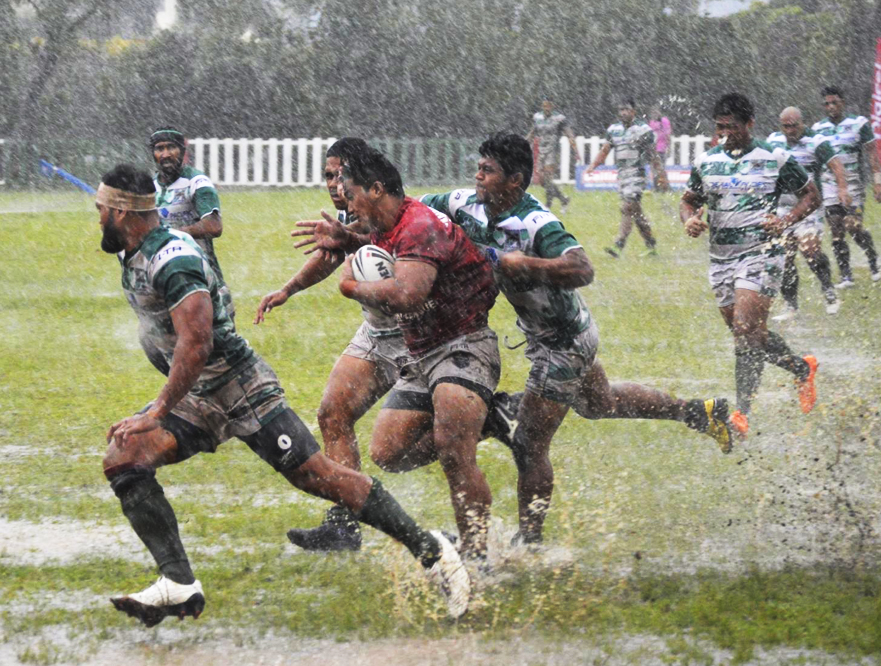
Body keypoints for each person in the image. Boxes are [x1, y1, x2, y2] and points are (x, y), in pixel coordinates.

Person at [96, 164, 471, 625]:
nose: (97, 218)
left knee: (317, 477)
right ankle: (178, 582)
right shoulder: (135, 247)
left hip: (238, 386)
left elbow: (197, 343)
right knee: (123, 454)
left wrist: (157, 410)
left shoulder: (171, 259)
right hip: (198, 391)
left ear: (120, 212)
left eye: (101, 210)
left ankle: (433, 550)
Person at [421, 132, 736, 545]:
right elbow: (415, 211)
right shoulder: (465, 204)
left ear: (514, 180)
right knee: (601, 402)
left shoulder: (536, 222)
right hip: (556, 334)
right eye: (478, 167)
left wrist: (526, 264)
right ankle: (698, 412)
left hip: (565, 342)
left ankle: (529, 542)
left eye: (488, 170)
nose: (478, 176)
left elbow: (582, 269)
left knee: (530, 441)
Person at [297, 143, 502, 564]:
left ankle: (478, 557)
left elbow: (408, 295)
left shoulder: (418, 225)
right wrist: (346, 237)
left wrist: (352, 286)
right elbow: (367, 240)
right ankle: (487, 420)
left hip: (462, 345)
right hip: (420, 351)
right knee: (388, 454)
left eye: (349, 193)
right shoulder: (384, 221)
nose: (344, 202)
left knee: (452, 450)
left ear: (375, 189)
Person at [254, 138, 412, 552]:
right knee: (332, 412)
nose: (332, 183)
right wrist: (287, 290)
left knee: (415, 444)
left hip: (417, 338)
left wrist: (349, 243)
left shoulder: (389, 208)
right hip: (376, 334)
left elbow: (363, 245)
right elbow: (331, 254)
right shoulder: (350, 211)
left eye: (338, 175)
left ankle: (489, 414)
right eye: (327, 176)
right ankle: (344, 523)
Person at [680, 94, 821, 437]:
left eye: (732, 127)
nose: (725, 133)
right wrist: (690, 221)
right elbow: (688, 200)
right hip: (721, 259)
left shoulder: (773, 157)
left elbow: (811, 195)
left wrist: (786, 220)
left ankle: (742, 413)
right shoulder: (707, 161)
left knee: (745, 330)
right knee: (749, 335)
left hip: (761, 253)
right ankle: (802, 368)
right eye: (720, 127)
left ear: (750, 124)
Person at [765, 107, 846, 317]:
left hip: (809, 206)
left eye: (794, 125)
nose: (790, 130)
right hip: (782, 207)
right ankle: (791, 306)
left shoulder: (816, 141)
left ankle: (829, 290)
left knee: (810, 251)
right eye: (786, 126)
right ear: (780, 125)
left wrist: (842, 189)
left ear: (803, 123)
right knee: (784, 258)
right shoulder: (773, 141)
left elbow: (836, 166)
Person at [149, 128, 235, 317]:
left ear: (182, 150)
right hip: (165, 273)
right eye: (159, 148)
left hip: (202, 270)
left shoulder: (197, 182)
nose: (165, 154)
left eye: (171, 147)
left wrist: (171, 234)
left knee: (223, 336)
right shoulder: (149, 188)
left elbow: (214, 226)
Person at [811, 86, 881, 286]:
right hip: (829, 184)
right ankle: (846, 275)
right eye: (826, 104)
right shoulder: (817, 129)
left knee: (853, 225)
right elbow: (814, 161)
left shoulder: (858, 124)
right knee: (836, 228)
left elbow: (871, 154)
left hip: (853, 185)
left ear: (842, 103)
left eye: (834, 102)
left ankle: (873, 258)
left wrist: (877, 182)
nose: (830, 107)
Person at [584, 99, 665, 258]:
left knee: (627, 207)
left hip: (637, 174)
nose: (623, 113)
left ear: (634, 111)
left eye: (627, 110)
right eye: (621, 110)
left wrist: (660, 174)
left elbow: (653, 154)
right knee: (636, 212)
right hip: (622, 175)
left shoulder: (643, 130)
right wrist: (593, 166)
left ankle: (619, 244)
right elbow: (605, 150)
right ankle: (650, 243)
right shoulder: (613, 130)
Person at [528, 97, 577, 213]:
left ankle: (548, 205)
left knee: (548, 177)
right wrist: (524, 144)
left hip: (553, 151)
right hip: (541, 150)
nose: (546, 108)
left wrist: (573, 143)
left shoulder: (558, 119)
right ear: (542, 106)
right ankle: (563, 199)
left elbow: (568, 132)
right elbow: (533, 132)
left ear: (552, 106)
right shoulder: (537, 117)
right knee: (542, 181)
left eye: (548, 106)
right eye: (544, 106)